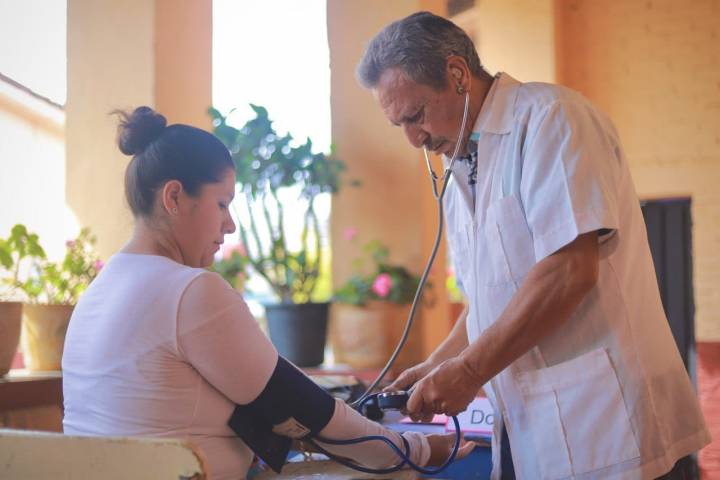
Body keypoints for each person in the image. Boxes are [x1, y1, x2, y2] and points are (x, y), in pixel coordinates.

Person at [357, 11, 710, 480]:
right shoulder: (464, 162)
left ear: (457, 74)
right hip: (532, 428)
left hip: (611, 421)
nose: (413, 139)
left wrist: (469, 371)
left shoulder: (552, 119)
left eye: (416, 115)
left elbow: (569, 271)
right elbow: (493, 298)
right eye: (399, 125)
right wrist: (437, 363)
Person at [61, 106, 473, 480]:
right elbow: (306, 412)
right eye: (222, 204)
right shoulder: (189, 291)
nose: (230, 225)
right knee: (397, 473)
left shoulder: (96, 294)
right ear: (174, 197)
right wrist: (420, 450)